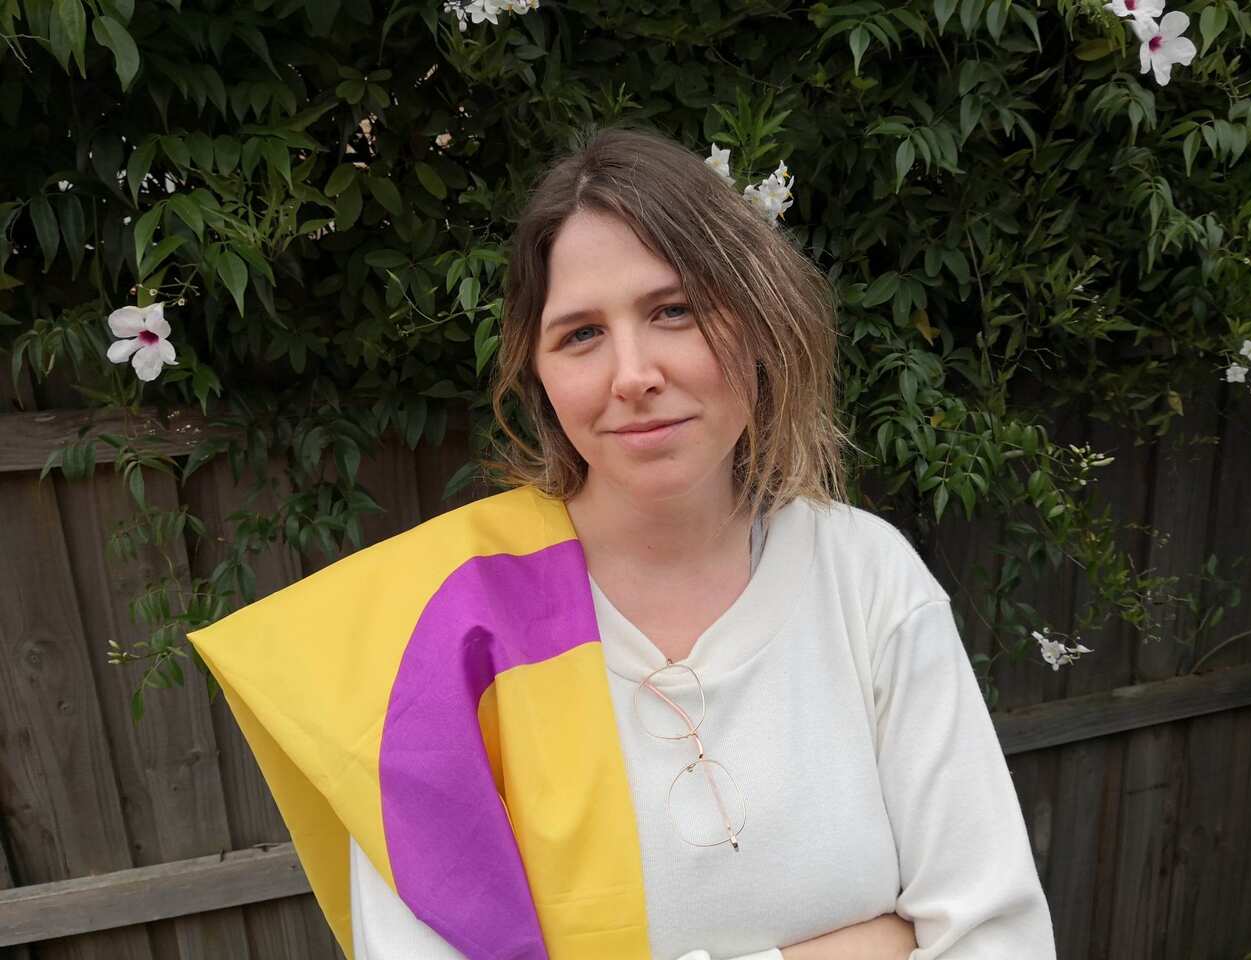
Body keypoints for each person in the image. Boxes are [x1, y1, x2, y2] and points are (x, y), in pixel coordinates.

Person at [191, 123, 1056, 960]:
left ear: (758, 325)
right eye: (582, 334)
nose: (633, 374)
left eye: (674, 310)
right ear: (540, 372)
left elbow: (999, 937)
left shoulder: (865, 578)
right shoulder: (439, 632)